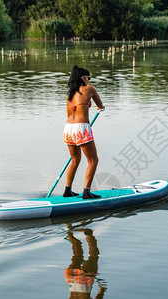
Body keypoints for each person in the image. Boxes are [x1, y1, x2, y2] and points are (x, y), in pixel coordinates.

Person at [63, 65, 104, 199]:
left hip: (68, 129)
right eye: (88, 77)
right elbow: (99, 103)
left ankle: (67, 191)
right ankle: (87, 191)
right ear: (83, 78)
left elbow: (70, 112)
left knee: (75, 160)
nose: (89, 80)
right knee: (93, 161)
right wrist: (101, 107)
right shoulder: (89, 89)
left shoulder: (70, 92)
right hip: (81, 129)